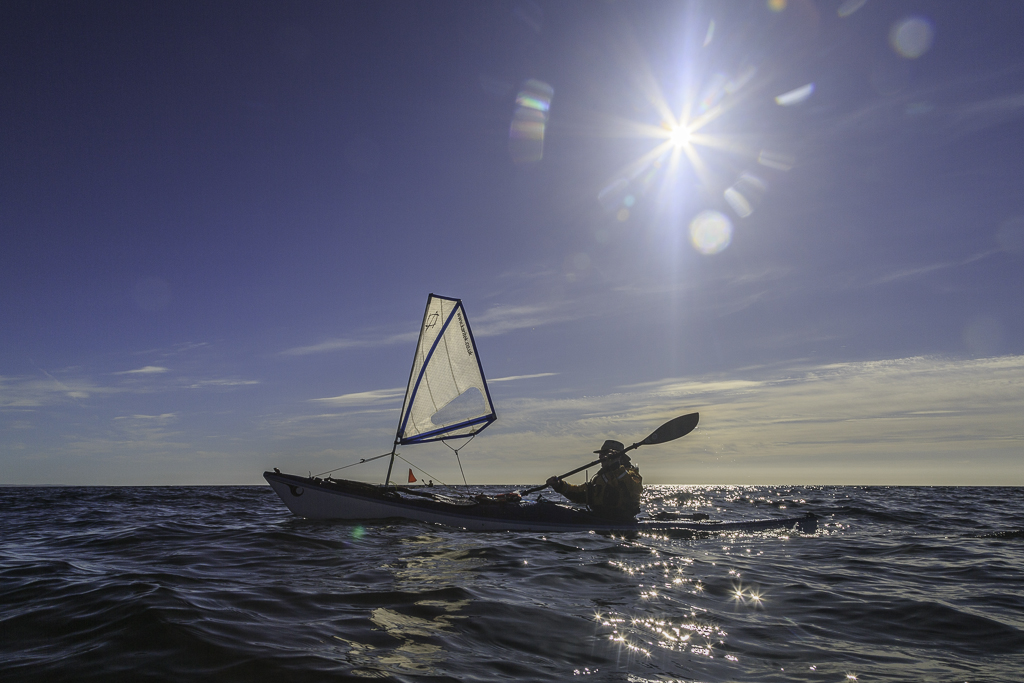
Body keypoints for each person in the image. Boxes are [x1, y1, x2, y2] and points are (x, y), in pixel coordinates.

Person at [546, 440, 642, 521]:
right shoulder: (599, 478)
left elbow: (632, 488)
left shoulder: (631, 474)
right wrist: (559, 485)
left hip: (622, 521)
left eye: (604, 453)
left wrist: (615, 464)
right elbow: (580, 493)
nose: (600, 457)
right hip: (599, 519)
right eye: (601, 454)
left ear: (618, 457)